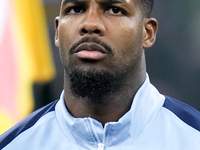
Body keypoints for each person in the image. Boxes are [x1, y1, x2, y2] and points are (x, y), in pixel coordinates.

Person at [0, 0, 200, 149]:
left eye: (114, 9)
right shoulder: (14, 145)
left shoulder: (193, 138)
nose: (90, 24)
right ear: (57, 32)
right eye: (76, 9)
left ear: (147, 33)